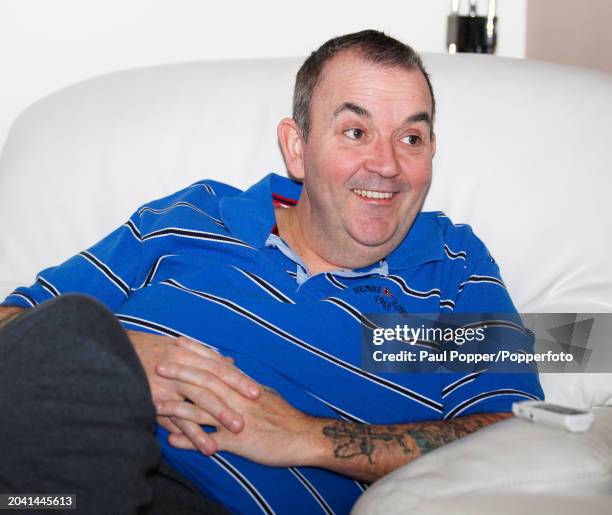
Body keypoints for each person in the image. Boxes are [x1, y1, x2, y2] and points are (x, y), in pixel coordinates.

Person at [0, 30, 543, 514]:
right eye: (356, 132)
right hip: (55, 454)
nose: (387, 164)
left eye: (412, 137)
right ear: (296, 147)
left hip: (199, 499)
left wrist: (309, 437)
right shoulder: (194, 213)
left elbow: (517, 437)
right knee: (69, 325)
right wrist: (120, 355)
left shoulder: (453, 271)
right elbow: (15, 324)